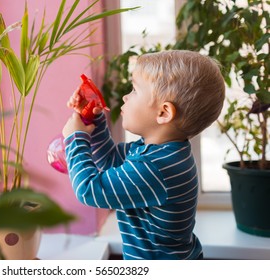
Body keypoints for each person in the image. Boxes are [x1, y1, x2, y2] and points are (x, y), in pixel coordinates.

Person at [62, 50, 225, 260]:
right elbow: (110, 160)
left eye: (135, 90)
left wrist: (75, 139)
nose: (125, 96)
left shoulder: (155, 167)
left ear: (164, 113)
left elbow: (89, 190)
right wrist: (95, 122)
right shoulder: (158, 152)